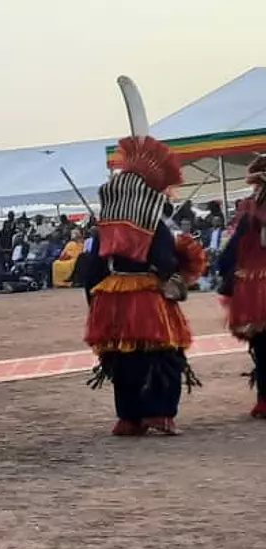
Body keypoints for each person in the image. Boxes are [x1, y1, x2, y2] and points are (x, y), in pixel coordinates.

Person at [79, 76, 207, 436]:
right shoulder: (155, 227)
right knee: (164, 353)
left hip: (111, 298)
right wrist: (179, 275)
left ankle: (129, 417)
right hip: (147, 299)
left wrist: (95, 303)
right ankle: (160, 413)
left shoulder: (106, 227)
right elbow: (165, 263)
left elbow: (92, 272)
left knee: (123, 357)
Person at [216, 156, 266, 417]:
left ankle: (264, 399)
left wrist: (226, 276)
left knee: (263, 344)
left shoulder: (249, 214)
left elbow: (230, 253)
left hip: (256, 288)